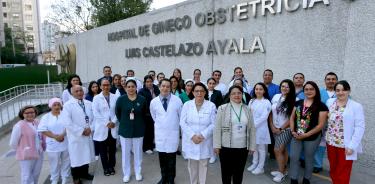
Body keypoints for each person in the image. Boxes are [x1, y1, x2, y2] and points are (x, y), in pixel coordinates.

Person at [213, 85, 256, 184]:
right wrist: (216, 145)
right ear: (229, 95)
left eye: (239, 93)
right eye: (233, 93)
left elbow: (252, 129)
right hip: (226, 147)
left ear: (242, 94)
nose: (236, 95)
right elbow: (217, 128)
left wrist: (252, 146)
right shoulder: (222, 108)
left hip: (243, 147)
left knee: (239, 173)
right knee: (226, 173)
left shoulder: (247, 109)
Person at [326, 80, 365, 184]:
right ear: (335, 92)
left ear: (349, 91)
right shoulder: (330, 102)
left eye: (344, 90)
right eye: (338, 90)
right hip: (331, 142)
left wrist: (352, 146)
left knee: (343, 172)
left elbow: (360, 127)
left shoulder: (356, 106)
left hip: (346, 145)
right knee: (333, 169)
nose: (340, 92)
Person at [289, 81, 328, 184]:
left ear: (316, 91)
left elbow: (320, 125)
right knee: (294, 157)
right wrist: (293, 131)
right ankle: (294, 179)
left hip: (312, 137)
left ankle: (307, 179)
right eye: (306, 89)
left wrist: (306, 134)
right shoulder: (298, 103)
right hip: (296, 135)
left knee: (309, 158)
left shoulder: (322, 106)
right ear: (303, 91)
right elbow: (292, 118)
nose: (309, 91)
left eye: (311, 89)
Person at [180, 83, 216, 184]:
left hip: (205, 140)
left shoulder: (211, 105)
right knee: (192, 166)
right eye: (196, 91)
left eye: (201, 91)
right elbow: (182, 122)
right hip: (191, 140)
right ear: (193, 92)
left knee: (204, 165)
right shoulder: (187, 105)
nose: (199, 93)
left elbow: (214, 124)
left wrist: (202, 135)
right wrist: (192, 136)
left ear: (205, 92)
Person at [150, 79, 183, 184]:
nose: (165, 88)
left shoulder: (177, 101)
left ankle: (171, 179)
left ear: (171, 87)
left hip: (172, 134)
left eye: (168, 86)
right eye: (163, 86)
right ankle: (163, 178)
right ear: (159, 87)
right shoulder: (154, 102)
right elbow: (154, 116)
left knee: (171, 160)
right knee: (162, 159)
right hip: (160, 135)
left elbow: (181, 117)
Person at [60, 85, 95, 184]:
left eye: (80, 90)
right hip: (76, 136)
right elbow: (67, 122)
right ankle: (76, 178)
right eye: (76, 91)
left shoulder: (89, 103)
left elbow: (94, 118)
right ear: (72, 93)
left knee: (86, 155)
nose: (79, 93)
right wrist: (81, 131)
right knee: (76, 158)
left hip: (88, 134)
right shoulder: (67, 105)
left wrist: (90, 129)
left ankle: (85, 174)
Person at [115, 79, 148, 183]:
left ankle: (138, 172)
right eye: (128, 87)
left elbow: (145, 113)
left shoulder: (142, 99)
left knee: (138, 152)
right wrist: (124, 122)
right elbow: (118, 113)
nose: (130, 88)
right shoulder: (121, 99)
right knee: (125, 153)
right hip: (125, 130)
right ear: (125, 88)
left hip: (138, 129)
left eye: (132, 86)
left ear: (136, 88)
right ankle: (127, 174)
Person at [9, 105, 45, 184]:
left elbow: (42, 135)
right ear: (22, 114)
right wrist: (24, 149)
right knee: (27, 176)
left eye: (32, 112)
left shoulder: (37, 122)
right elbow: (13, 143)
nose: (30, 114)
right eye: (27, 113)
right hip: (26, 155)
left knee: (36, 174)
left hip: (39, 153)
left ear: (35, 113)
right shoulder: (19, 126)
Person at [38, 98, 70, 184]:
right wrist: (55, 137)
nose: (56, 107)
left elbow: (69, 126)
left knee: (66, 162)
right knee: (54, 163)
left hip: (65, 141)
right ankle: (54, 179)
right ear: (50, 106)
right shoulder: (46, 117)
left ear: (61, 105)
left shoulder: (65, 114)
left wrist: (62, 135)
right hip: (52, 144)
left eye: (58, 104)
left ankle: (65, 178)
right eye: (54, 105)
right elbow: (42, 129)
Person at [269, 79, 296, 182]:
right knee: (283, 150)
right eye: (283, 86)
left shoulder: (294, 99)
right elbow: (271, 112)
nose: (284, 88)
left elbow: (291, 118)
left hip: (285, 129)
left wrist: (280, 128)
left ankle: (282, 173)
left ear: (291, 88)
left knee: (277, 150)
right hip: (275, 128)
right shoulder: (276, 96)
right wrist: (272, 126)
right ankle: (283, 169)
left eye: (287, 87)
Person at [92, 79, 119, 176]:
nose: (106, 87)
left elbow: (118, 111)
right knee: (102, 150)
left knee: (112, 149)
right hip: (102, 127)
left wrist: (113, 121)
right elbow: (96, 113)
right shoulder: (96, 98)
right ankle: (105, 168)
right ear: (100, 86)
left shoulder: (115, 97)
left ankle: (111, 166)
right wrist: (107, 122)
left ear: (110, 86)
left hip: (113, 126)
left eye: (107, 85)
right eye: (104, 85)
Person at [313, 72, 338, 173]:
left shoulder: (341, 92)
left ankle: (334, 167)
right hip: (321, 123)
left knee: (334, 146)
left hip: (336, 126)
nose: (331, 81)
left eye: (333, 79)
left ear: (336, 80)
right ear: (325, 81)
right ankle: (317, 164)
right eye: (328, 79)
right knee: (320, 144)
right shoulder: (319, 92)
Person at [247, 83, 271, 175]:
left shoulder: (267, 102)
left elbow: (264, 117)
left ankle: (261, 167)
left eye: (260, 89)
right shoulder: (252, 101)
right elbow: (248, 113)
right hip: (252, 127)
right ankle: (254, 163)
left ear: (264, 91)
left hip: (261, 129)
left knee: (261, 148)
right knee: (254, 147)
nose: (258, 91)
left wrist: (253, 125)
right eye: (256, 89)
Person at [138, 75, 161, 154]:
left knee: (153, 131)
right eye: (147, 82)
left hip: (156, 114)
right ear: (144, 83)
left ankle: (152, 145)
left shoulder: (157, 89)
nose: (149, 83)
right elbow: (142, 104)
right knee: (147, 131)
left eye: (150, 81)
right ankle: (146, 147)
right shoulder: (142, 91)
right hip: (146, 114)